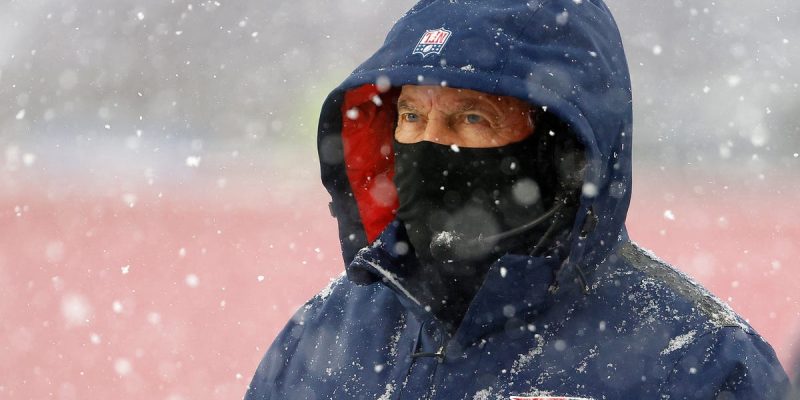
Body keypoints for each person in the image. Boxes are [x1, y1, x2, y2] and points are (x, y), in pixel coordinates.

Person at [245, 0, 791, 398]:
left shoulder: (700, 361)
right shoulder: (319, 340)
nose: (431, 143)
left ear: (560, 151)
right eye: (411, 116)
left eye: (472, 117)